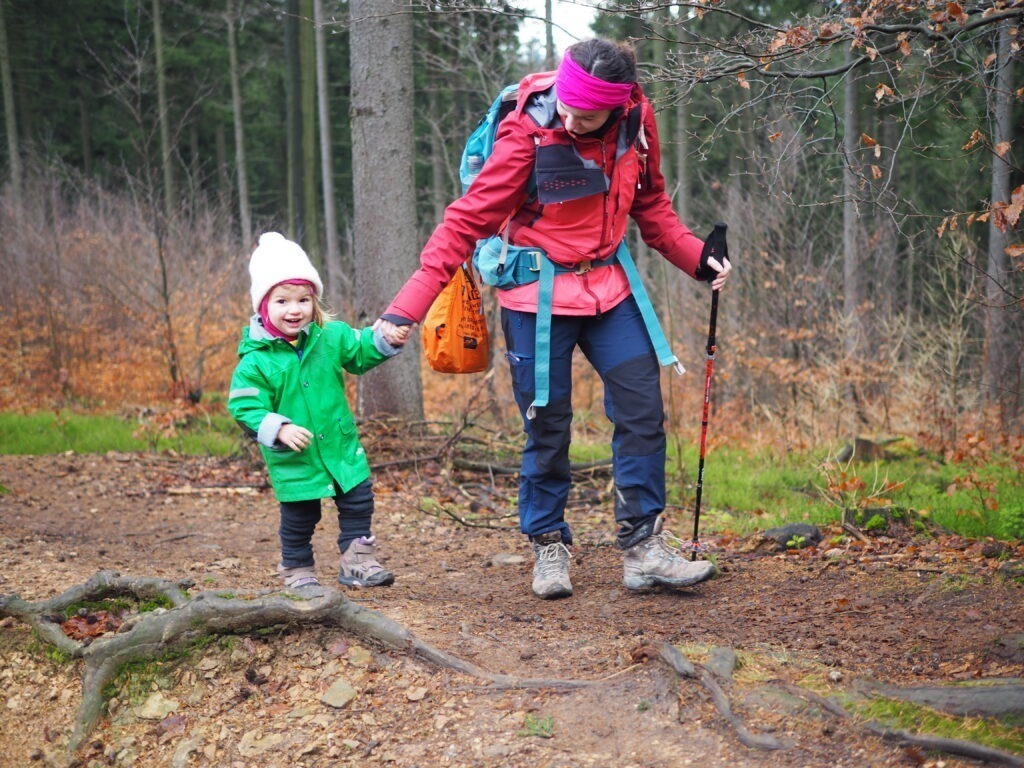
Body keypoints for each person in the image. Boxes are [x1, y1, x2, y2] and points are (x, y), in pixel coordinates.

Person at [377, 39, 732, 599]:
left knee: (642, 412)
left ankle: (643, 549)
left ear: (617, 107)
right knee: (547, 425)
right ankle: (548, 543)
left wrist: (696, 255)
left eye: (584, 113)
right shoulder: (527, 132)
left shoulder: (636, 122)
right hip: (535, 296)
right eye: (565, 105)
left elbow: (651, 205)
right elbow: (464, 222)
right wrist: (406, 307)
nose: (569, 117)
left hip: (610, 291)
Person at [229, 232, 411, 594]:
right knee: (300, 517)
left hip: (340, 446)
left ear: (315, 301)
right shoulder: (255, 361)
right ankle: (298, 571)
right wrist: (276, 428)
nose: (294, 309)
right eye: (282, 301)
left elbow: (360, 350)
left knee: (358, 500)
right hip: (295, 456)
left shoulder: (330, 337)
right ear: (263, 306)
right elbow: (243, 405)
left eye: (303, 299)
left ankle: (357, 560)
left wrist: (385, 339)